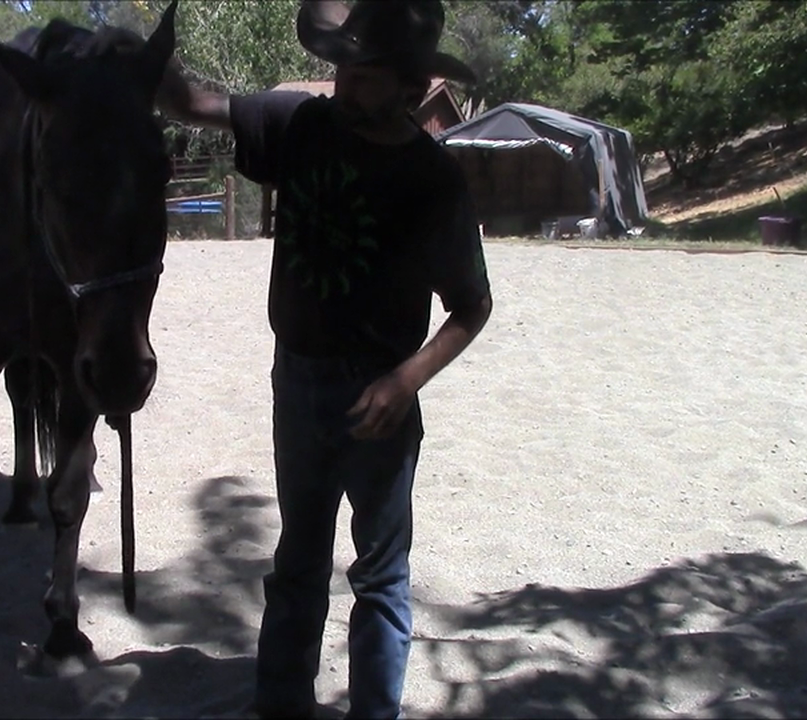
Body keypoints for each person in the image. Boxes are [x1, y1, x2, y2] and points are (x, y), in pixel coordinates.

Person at [156, 1, 493, 717]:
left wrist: (407, 380)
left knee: (379, 575)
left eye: (364, 77)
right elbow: (189, 103)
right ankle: (281, 706)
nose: (343, 88)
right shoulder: (300, 126)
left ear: (409, 87)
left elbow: (472, 308)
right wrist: (143, 52)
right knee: (299, 562)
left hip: (383, 401)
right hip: (298, 384)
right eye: (339, 70)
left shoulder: (433, 181)